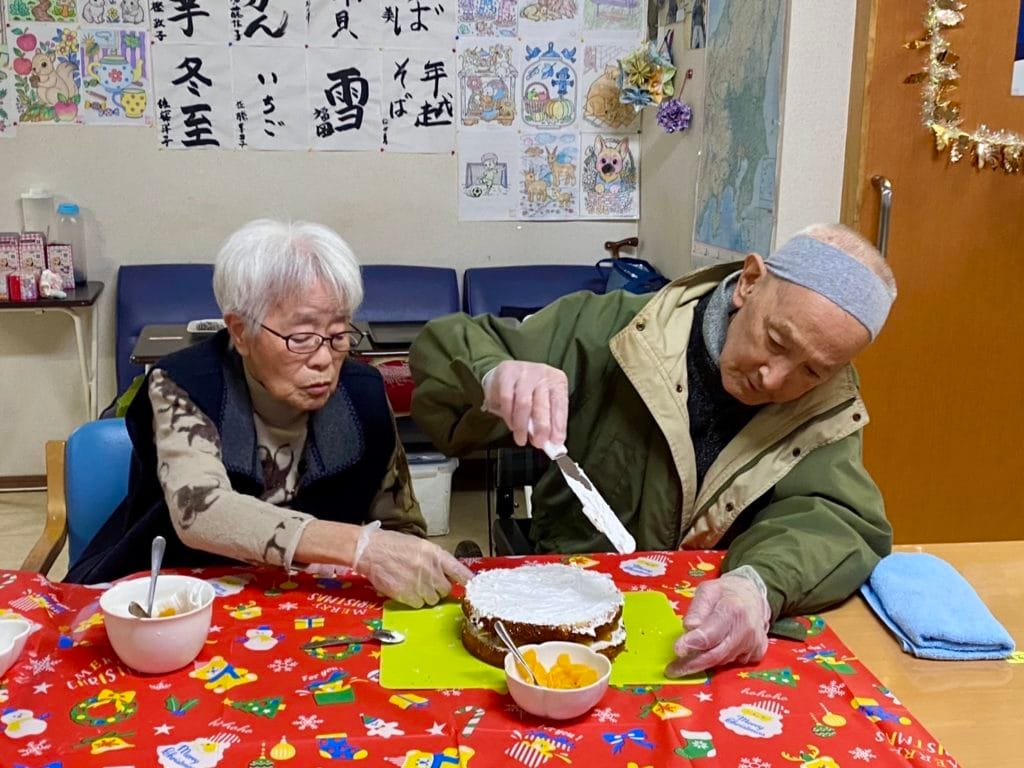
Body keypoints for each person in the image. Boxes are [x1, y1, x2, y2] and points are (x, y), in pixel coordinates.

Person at [409, 223, 897, 673]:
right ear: (749, 283)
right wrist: (493, 374)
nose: (775, 378)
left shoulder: (825, 402)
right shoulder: (615, 331)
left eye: (812, 370)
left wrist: (757, 584)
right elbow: (444, 348)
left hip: (707, 630)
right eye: (775, 341)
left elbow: (836, 520)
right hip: (569, 612)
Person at [67, 219, 472, 608]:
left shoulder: (363, 394)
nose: (324, 359)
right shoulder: (181, 384)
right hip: (173, 598)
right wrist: (357, 546)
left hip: (311, 605)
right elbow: (202, 510)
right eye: (302, 337)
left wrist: (401, 560)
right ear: (241, 332)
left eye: (338, 334)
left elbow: (400, 527)